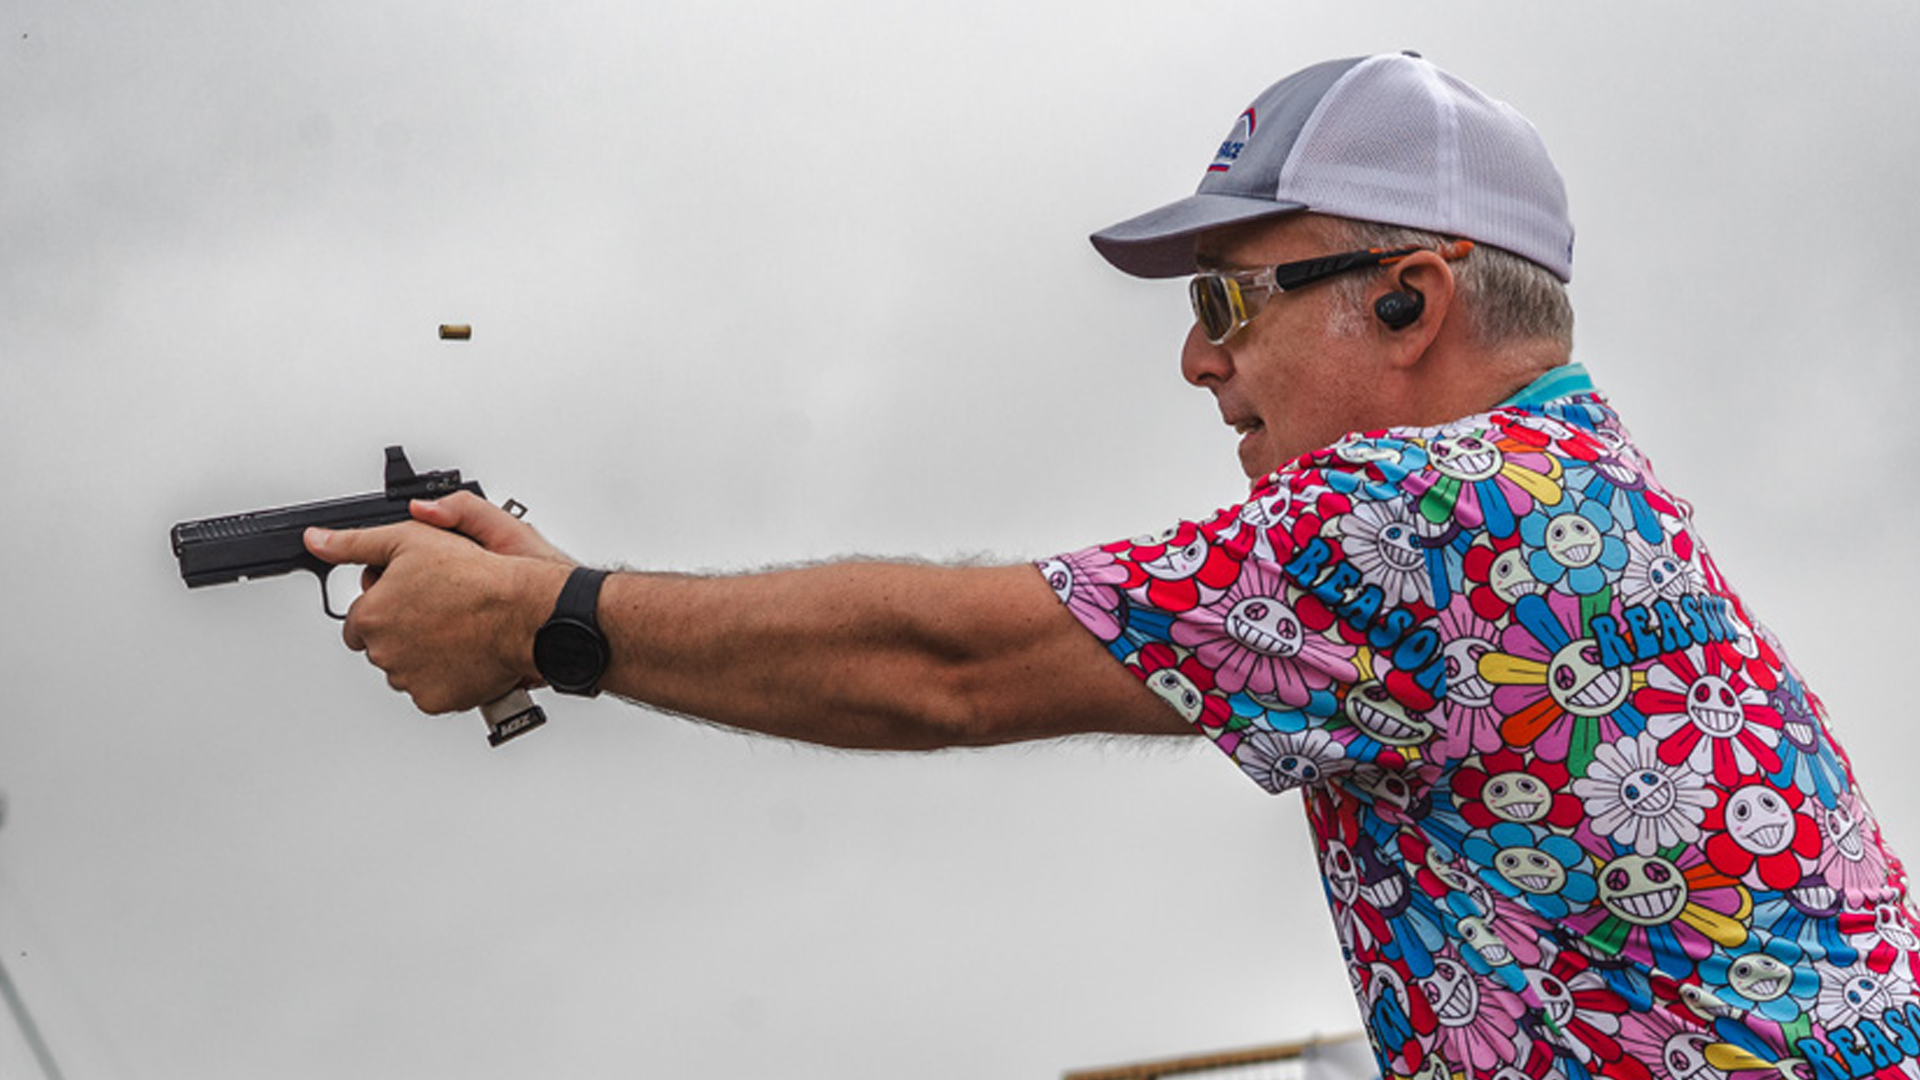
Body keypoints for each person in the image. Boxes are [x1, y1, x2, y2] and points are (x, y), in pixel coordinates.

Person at [303, 52, 1920, 1080]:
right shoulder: (1565, 491)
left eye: (1229, 301)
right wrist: (562, 603)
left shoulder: (1431, 518)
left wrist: (554, 624)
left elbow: (948, 666)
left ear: (1413, 300)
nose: (1200, 366)